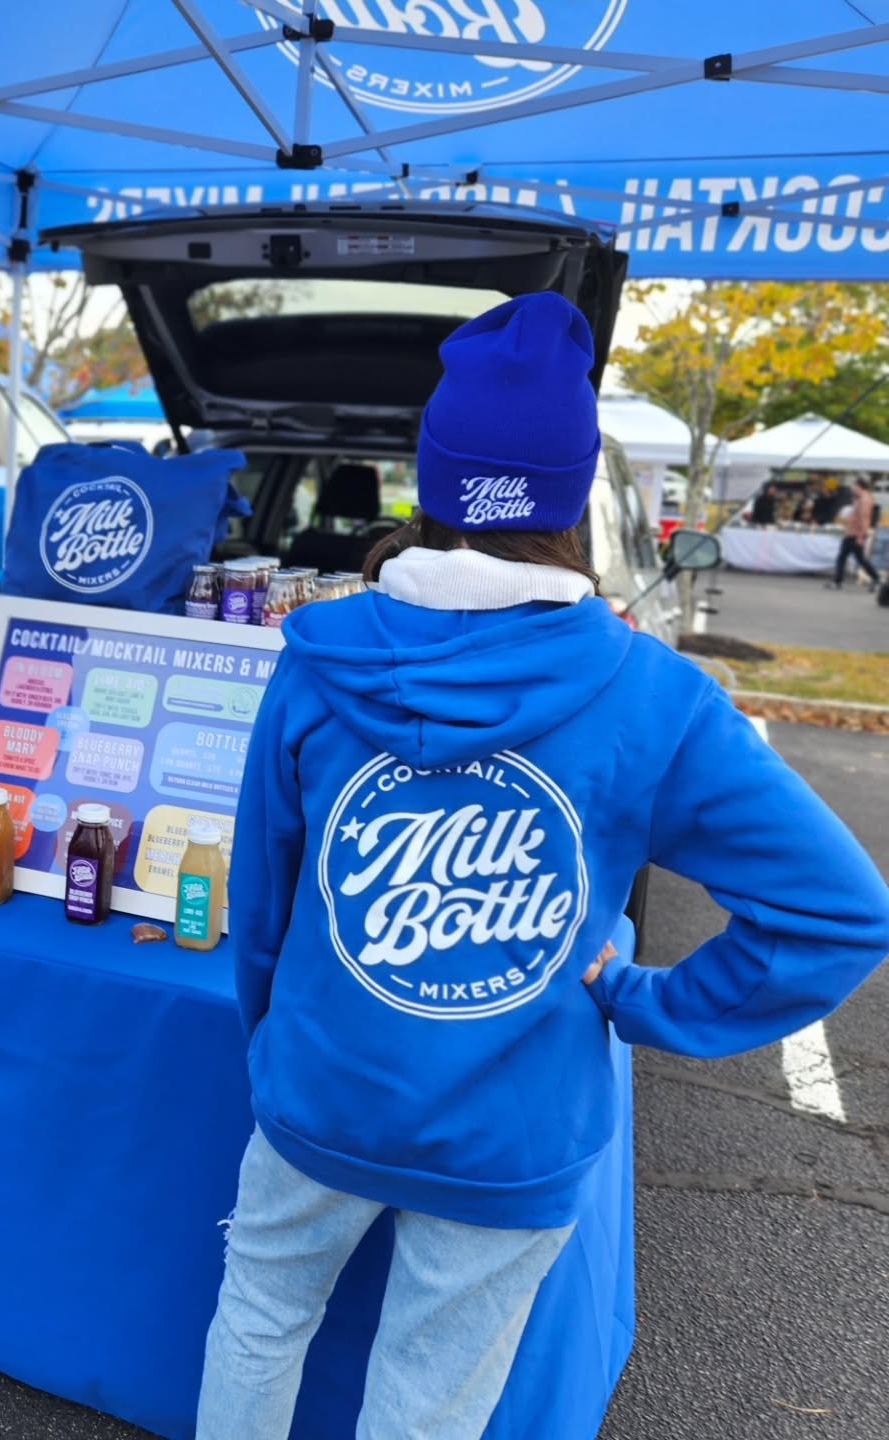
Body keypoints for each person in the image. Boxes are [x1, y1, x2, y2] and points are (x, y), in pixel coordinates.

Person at [195, 293, 889, 1440]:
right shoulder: (651, 695)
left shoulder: (317, 661)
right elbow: (838, 911)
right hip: (512, 1128)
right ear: (573, 496)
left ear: (433, 482)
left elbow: (260, 898)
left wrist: (273, 1044)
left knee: (260, 1318)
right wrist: (644, 1002)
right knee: (429, 1398)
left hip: (321, 1089)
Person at [826, 477, 882, 591]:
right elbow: (857, 515)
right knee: (844, 557)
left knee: (858, 559)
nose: (852, 488)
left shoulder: (864, 500)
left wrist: (862, 536)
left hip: (856, 534)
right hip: (852, 532)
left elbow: (864, 518)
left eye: (854, 485)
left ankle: (877, 579)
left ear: (859, 486)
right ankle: (838, 581)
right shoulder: (860, 498)